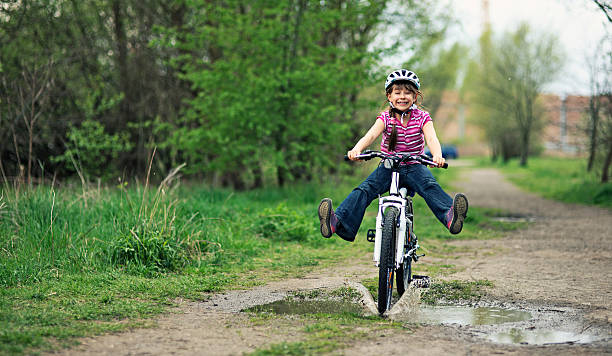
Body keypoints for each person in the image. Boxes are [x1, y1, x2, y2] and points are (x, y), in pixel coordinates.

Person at [318, 69, 468, 242]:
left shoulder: (422, 117)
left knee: (429, 185)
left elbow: (432, 138)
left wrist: (437, 156)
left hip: (414, 166)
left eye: (408, 93)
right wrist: (356, 150)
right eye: (397, 92)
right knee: (365, 189)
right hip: (388, 166)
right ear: (389, 96)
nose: (402, 97)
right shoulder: (385, 118)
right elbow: (371, 135)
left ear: (415, 97)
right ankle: (336, 222)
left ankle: (451, 217)